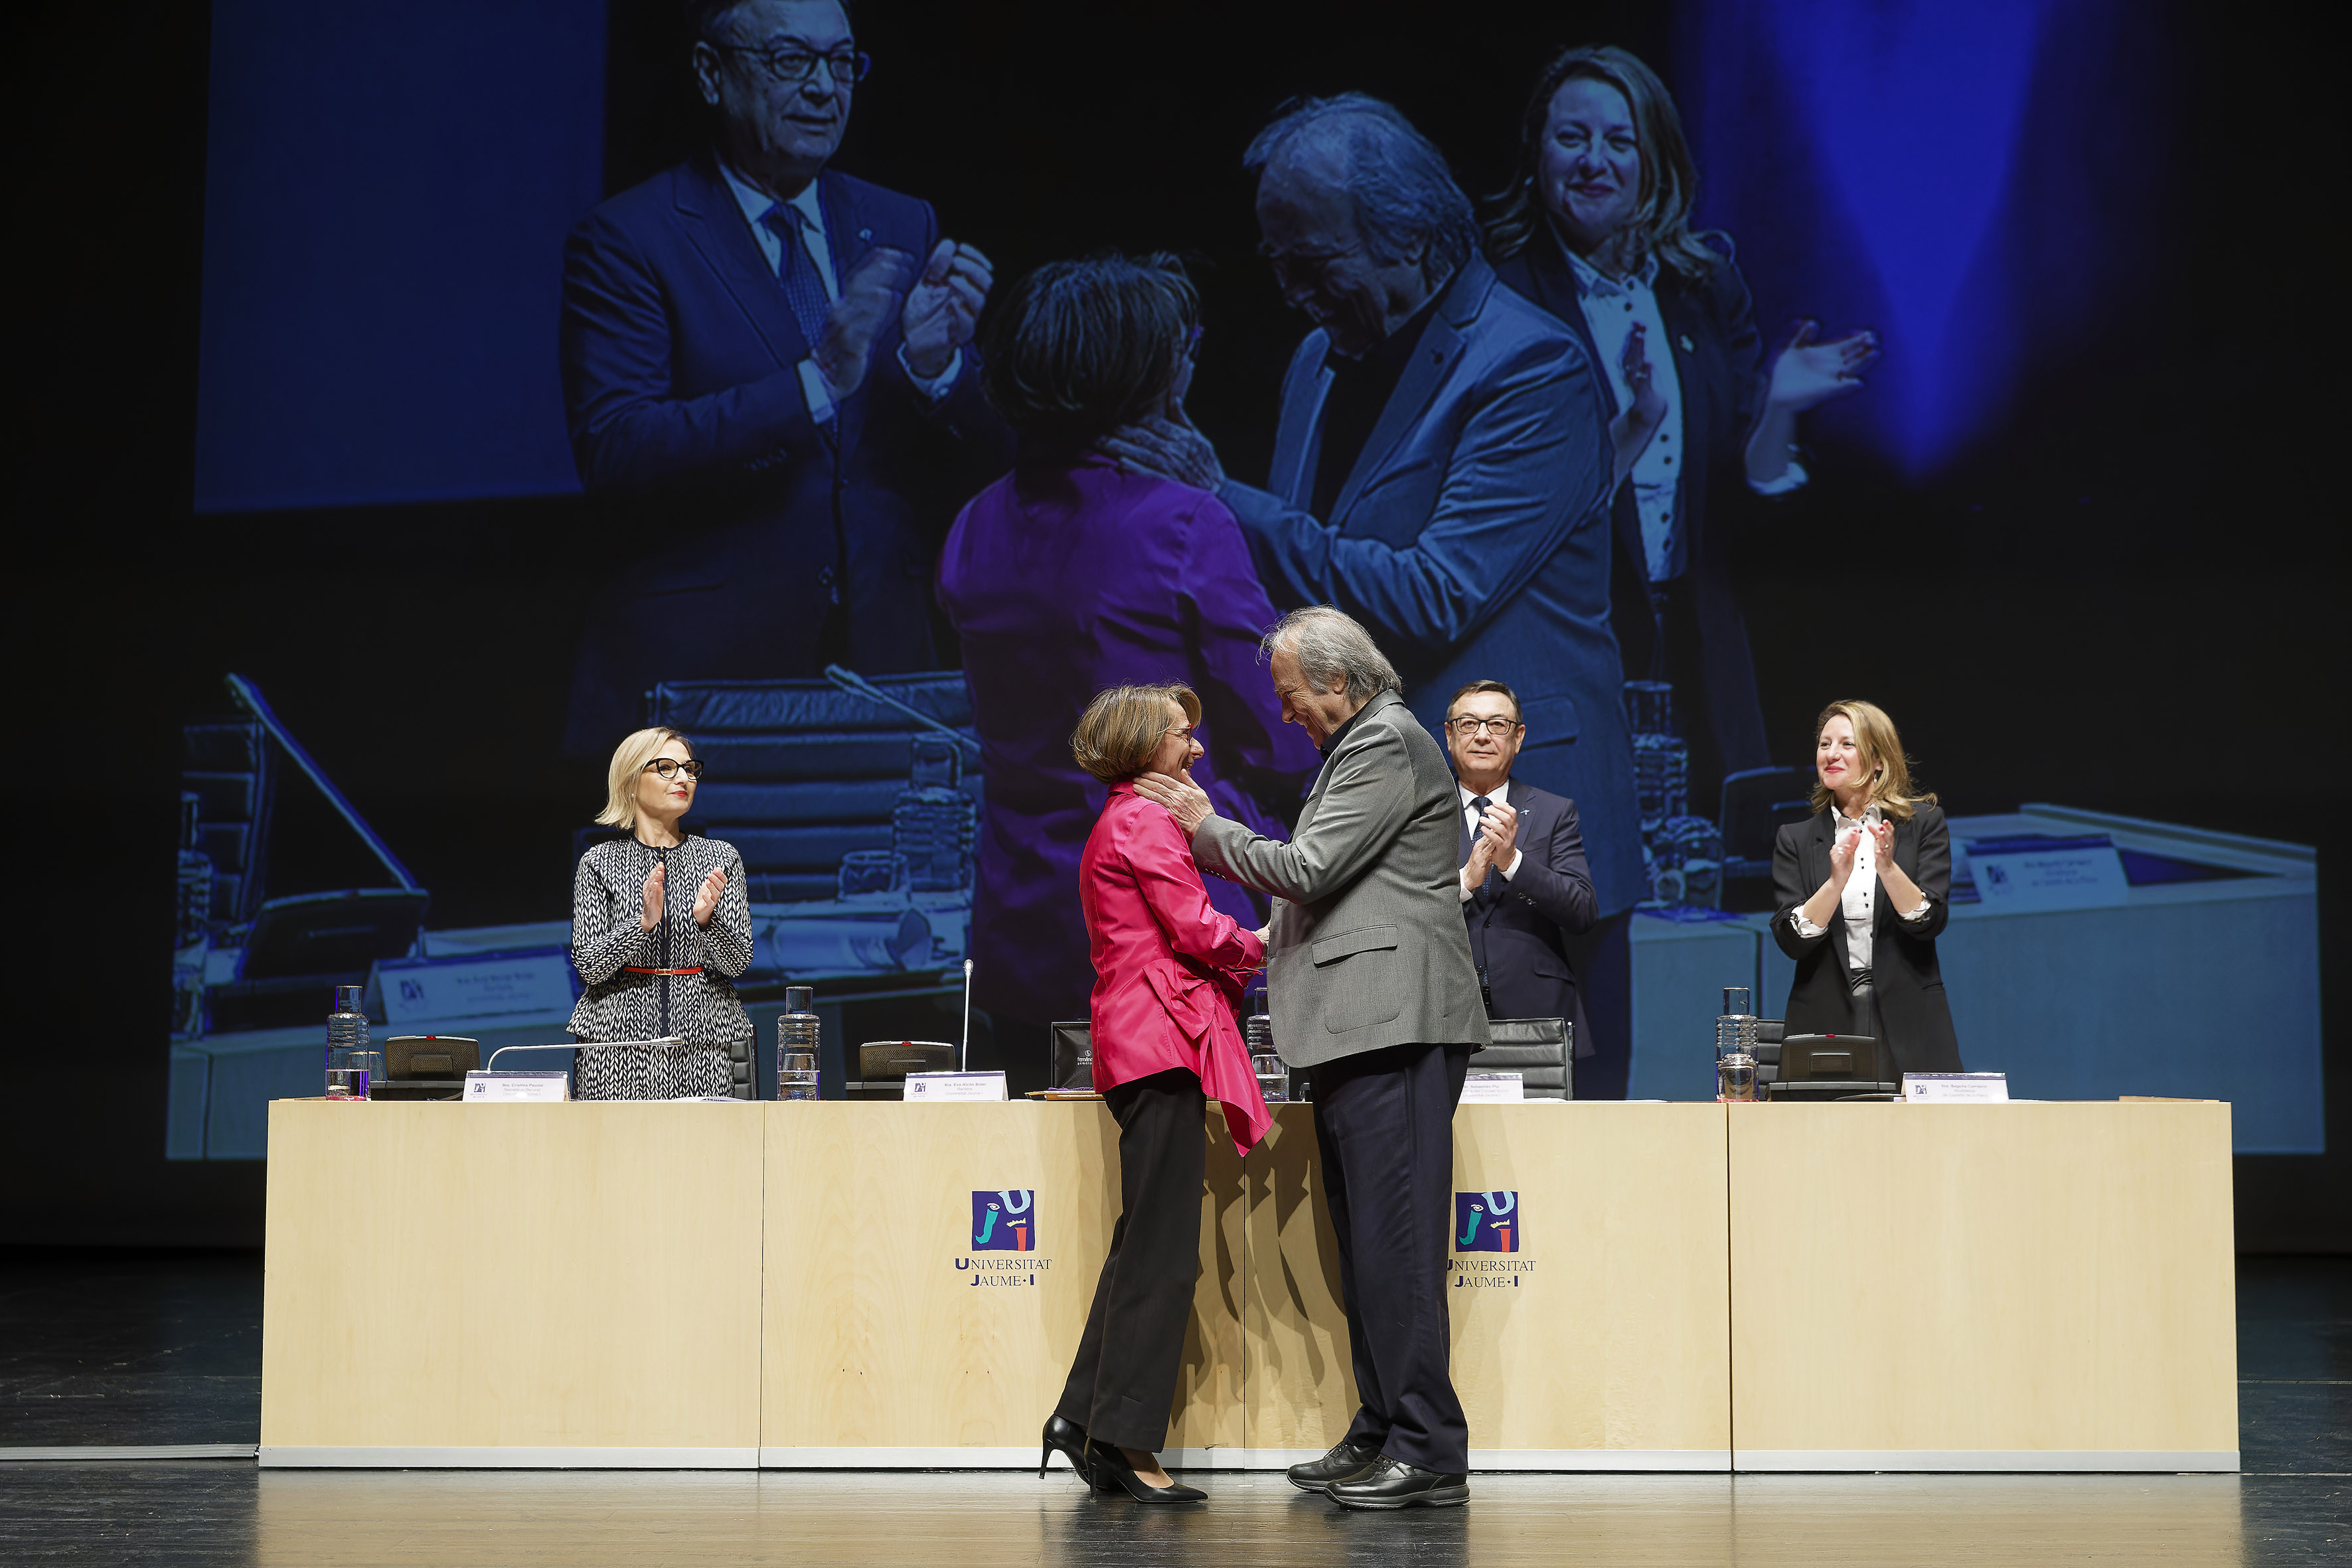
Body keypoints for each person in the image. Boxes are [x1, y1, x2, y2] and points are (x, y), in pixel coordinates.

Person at [1107, 93, 1643, 1089]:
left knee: (1539, 1155)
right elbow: (1298, 589)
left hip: (1510, 835)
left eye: (1311, 262)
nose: (1290, 292)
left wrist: (1219, 496)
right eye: (1275, 263)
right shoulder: (1320, 359)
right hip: (1367, 842)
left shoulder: (1534, 367)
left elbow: (1434, 595)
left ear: (1415, 241)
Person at [558, 0, 1010, 753]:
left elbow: (992, 457)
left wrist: (936, 369)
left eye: (842, 62)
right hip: (702, 677)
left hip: (886, 665)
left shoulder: (902, 223)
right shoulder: (629, 239)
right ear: (711, 73)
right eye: (791, 60)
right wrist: (815, 382)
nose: (824, 88)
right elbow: (617, 447)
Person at [1137, 607, 1484, 1512]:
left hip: (1391, 1023)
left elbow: (1308, 868)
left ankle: (1428, 1447)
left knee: (1397, 1245)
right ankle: (1383, 1427)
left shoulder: (1385, 742)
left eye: (1292, 695)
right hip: (1352, 1025)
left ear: (1338, 680)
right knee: (1367, 1245)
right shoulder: (1354, 748)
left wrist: (1204, 824)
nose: (1284, 712)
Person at [937, 255, 1317, 1081]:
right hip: (1172, 922)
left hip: (1026, 927)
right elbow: (1286, 737)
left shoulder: (971, 524)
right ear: (1143, 377)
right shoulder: (1182, 525)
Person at [1485, 45, 1881, 807]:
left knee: (1709, 853)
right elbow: (1517, 508)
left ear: (1653, 160)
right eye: (1572, 138)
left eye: (1620, 141)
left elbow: (1741, 489)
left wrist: (1778, 407)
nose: (1595, 160)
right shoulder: (1503, 299)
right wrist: (1631, 427)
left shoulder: (1703, 288)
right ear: (1537, 154)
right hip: (1575, 652)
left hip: (1703, 653)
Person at [1042, 684, 1271, 1506]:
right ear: (1144, 746)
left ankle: (1081, 1417)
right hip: (1159, 1039)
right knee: (1163, 1254)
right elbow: (1197, 929)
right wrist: (1268, 940)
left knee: (1144, 1243)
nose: (1196, 747)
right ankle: (1125, 1442)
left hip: (1146, 1039)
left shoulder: (1130, 817)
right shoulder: (1140, 820)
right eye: (1181, 734)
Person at [1769, 701, 1960, 1077]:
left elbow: (1930, 921)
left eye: (1847, 744)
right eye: (1824, 744)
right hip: (1824, 1020)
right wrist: (1835, 882)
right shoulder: (1795, 838)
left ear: (1878, 760)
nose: (1831, 754)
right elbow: (1791, 941)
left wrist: (1887, 868)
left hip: (1912, 1019)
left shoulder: (1923, 824)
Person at [570, 728, 755, 1099]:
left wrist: (707, 923)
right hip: (616, 1045)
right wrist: (641, 925)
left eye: (690, 769)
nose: (684, 778)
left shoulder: (721, 858)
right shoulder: (599, 862)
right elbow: (589, 965)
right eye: (667, 768)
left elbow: (738, 963)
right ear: (631, 782)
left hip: (706, 1043)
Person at [1443, 680, 1603, 1090]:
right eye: (1469, 724)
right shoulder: (1420, 813)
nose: (1482, 735)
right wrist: (1464, 883)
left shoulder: (1553, 812)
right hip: (1442, 1012)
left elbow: (1582, 911)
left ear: (1518, 737)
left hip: (1536, 1016)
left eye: (1497, 724)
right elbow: (1401, 906)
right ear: (1449, 735)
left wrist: (1512, 862)